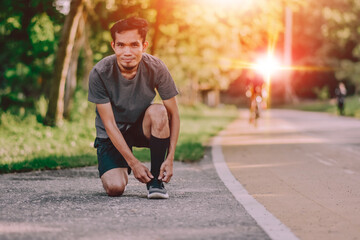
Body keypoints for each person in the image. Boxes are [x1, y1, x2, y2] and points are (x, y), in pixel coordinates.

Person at [88, 17, 180, 199]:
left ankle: (156, 182)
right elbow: (109, 124)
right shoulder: (100, 72)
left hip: (141, 127)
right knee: (115, 188)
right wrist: (134, 163)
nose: (127, 52)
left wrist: (170, 158)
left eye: (134, 45)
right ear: (113, 46)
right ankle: (122, 166)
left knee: (160, 111)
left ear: (144, 46)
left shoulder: (157, 68)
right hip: (113, 133)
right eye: (121, 45)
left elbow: (174, 115)